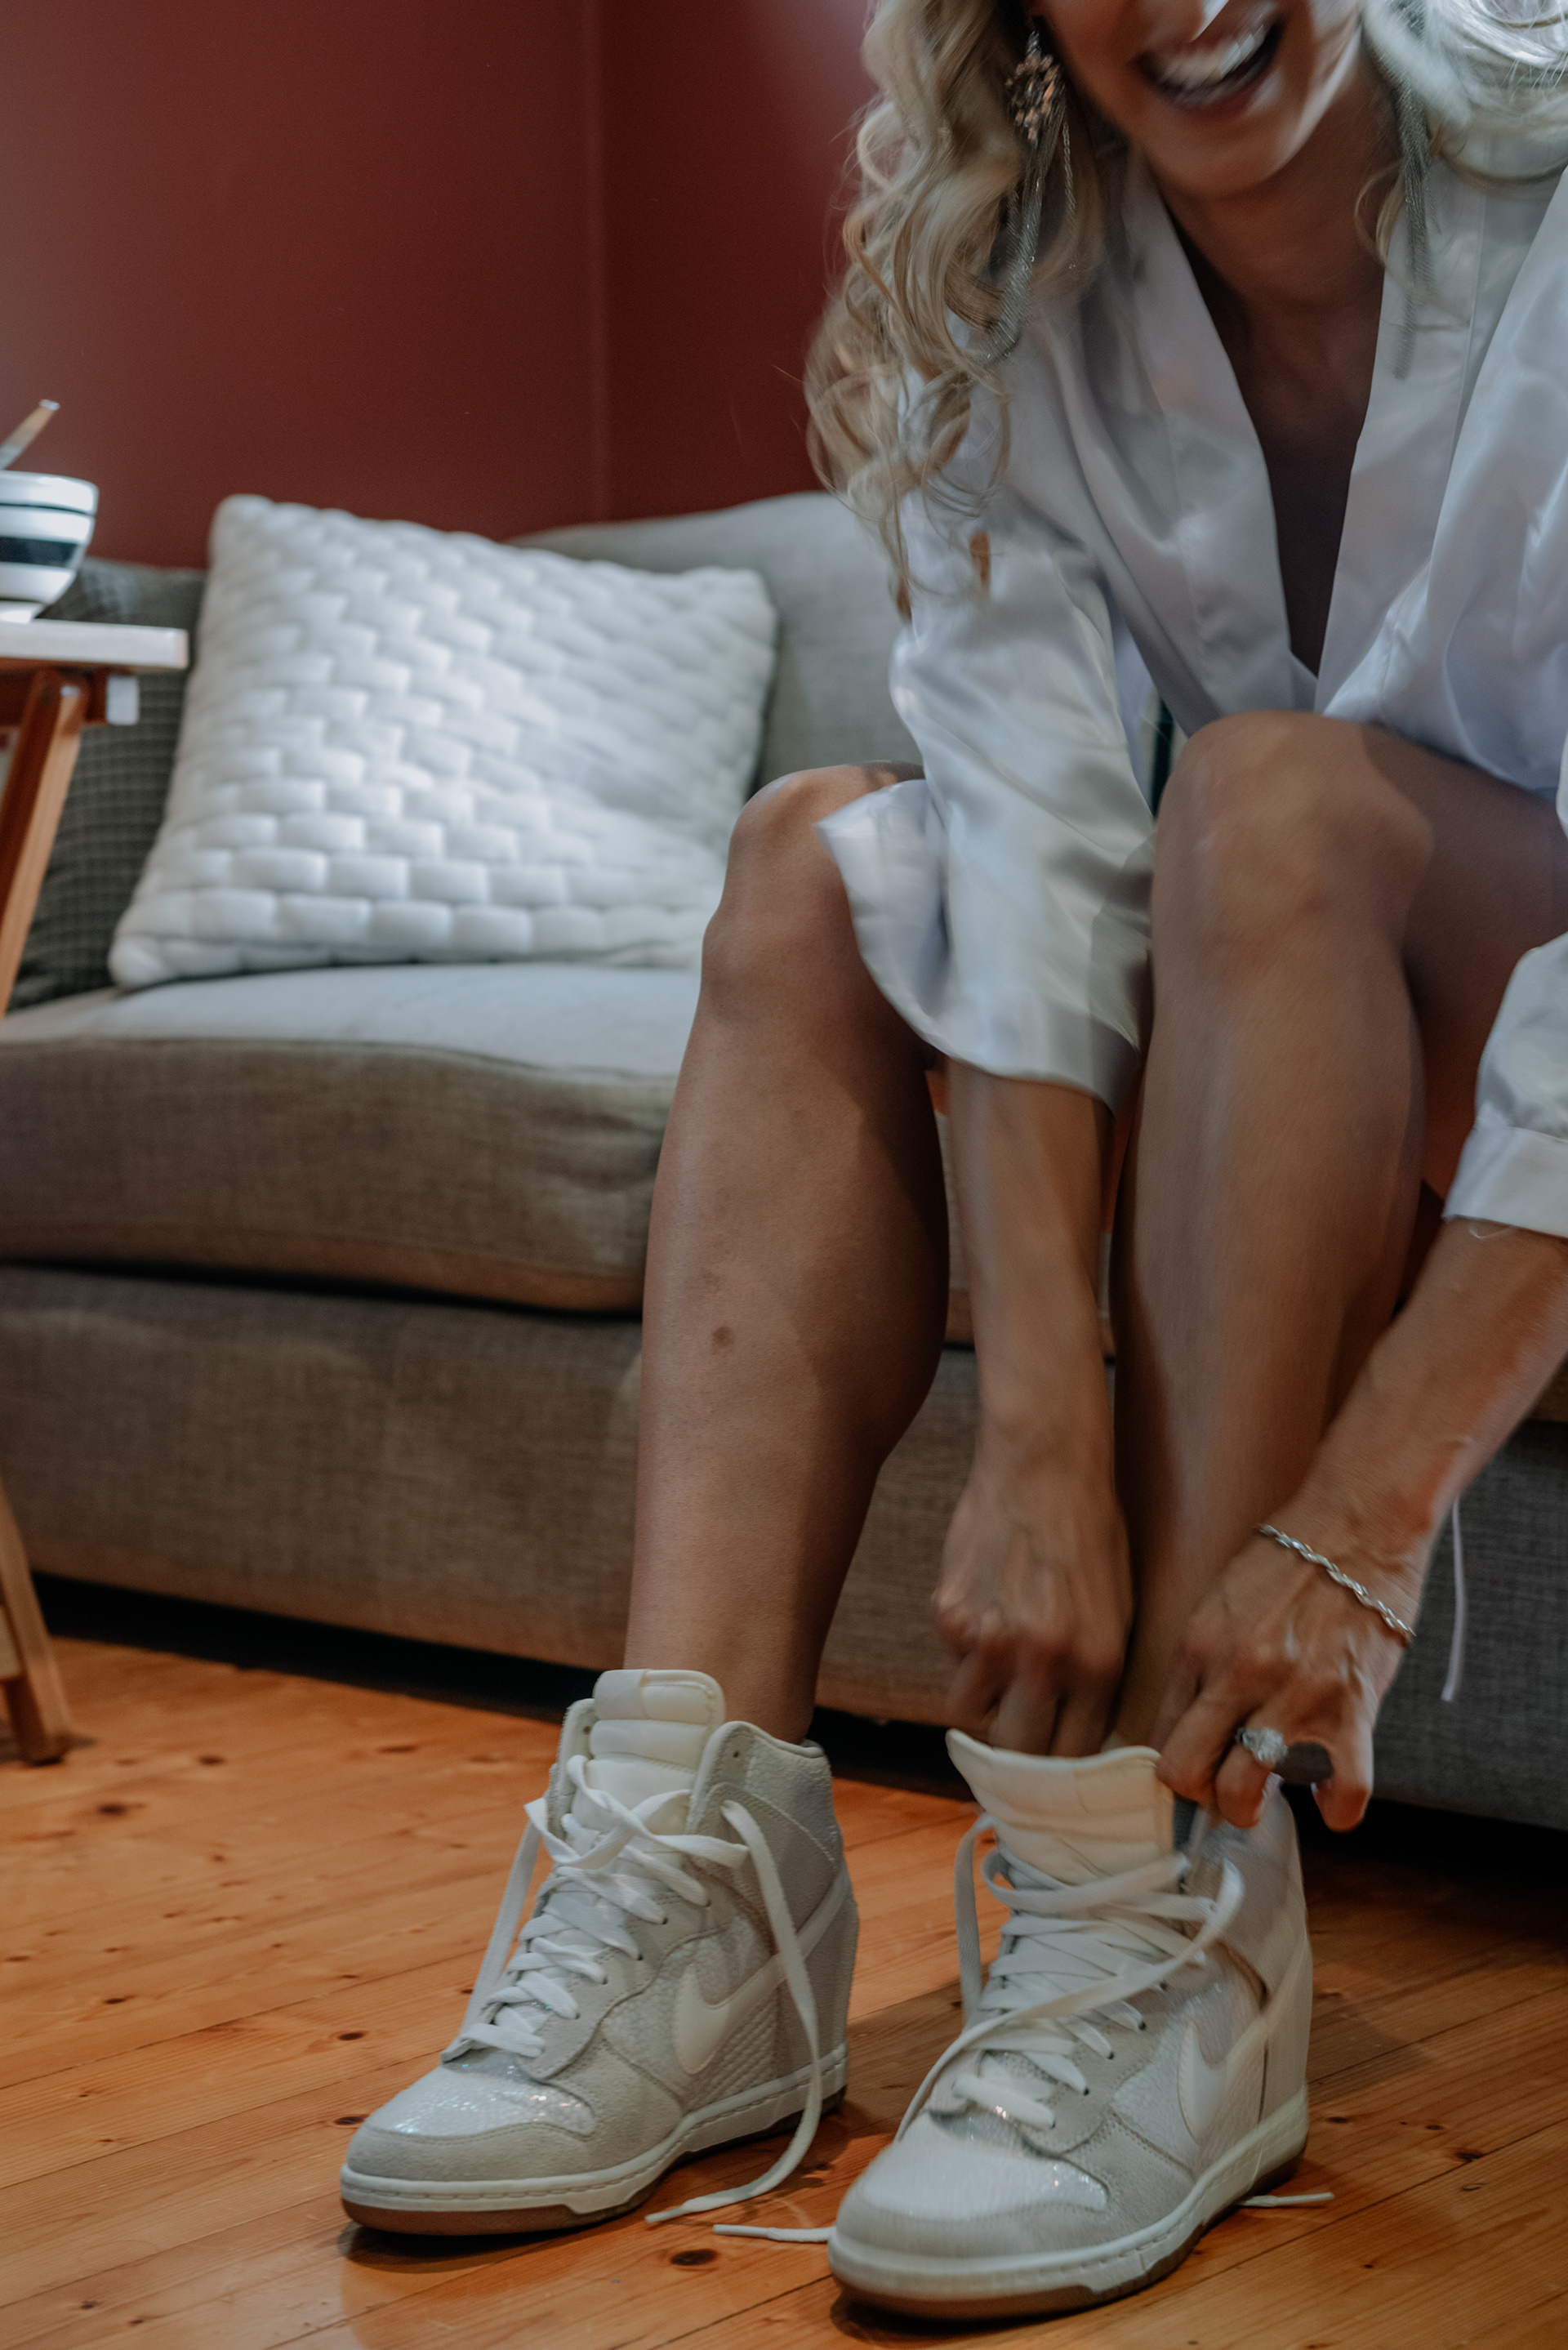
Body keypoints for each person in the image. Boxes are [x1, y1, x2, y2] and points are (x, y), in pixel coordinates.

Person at [338, 0, 1568, 2319]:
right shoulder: (1026, 278)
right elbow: (1024, 842)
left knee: (1274, 798)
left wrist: (1365, 1516)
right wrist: (1037, 1437)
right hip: (1290, 1019)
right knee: (813, 860)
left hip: (1523, 1076)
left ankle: (1169, 1903)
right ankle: (704, 1874)